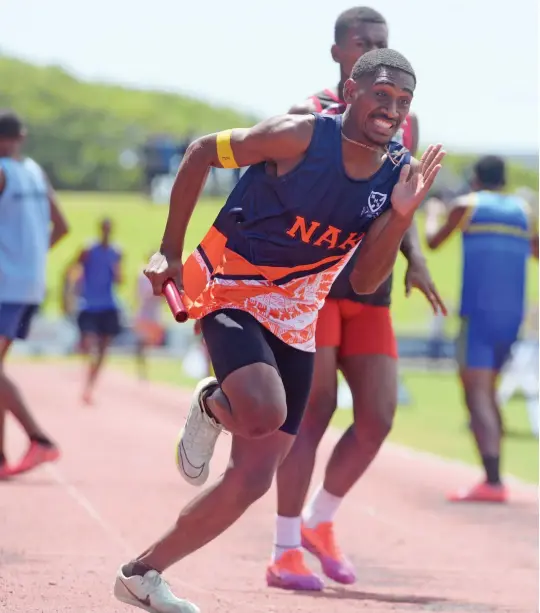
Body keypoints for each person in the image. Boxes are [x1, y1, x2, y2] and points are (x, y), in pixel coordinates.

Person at [112, 48, 445, 613]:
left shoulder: (395, 174)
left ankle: (141, 574)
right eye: (382, 95)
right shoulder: (297, 137)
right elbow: (198, 154)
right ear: (351, 89)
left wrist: (402, 215)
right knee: (262, 411)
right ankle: (216, 405)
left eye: (404, 102)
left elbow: (365, 281)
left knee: (253, 478)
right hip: (227, 288)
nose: (392, 110)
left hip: (296, 318)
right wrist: (170, 252)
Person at [266, 7, 445, 591]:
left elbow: (401, 197)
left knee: (378, 416)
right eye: (364, 43)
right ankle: (285, 548)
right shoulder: (308, 118)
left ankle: (321, 522)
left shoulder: (400, 124)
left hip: (371, 286)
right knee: (312, 412)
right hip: (316, 286)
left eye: (384, 42)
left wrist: (414, 257)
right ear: (343, 60)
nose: (375, 49)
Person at [425, 155, 538, 502]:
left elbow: (432, 241)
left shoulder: (466, 204)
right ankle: (493, 475)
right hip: (511, 316)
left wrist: (432, 213)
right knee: (488, 392)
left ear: (475, 179)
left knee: (477, 394)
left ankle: (492, 481)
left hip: (478, 313)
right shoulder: (523, 210)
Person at [0, 110, 69, 479]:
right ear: (21, 137)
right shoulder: (34, 171)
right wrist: (28, 257)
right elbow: (61, 226)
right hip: (29, 284)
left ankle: (38, 438)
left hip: (4, 285)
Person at [69, 218, 123, 405]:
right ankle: (86, 376)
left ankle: (90, 384)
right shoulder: (88, 249)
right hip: (89, 304)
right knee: (90, 344)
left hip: (109, 304)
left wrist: (116, 271)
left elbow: (119, 279)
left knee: (103, 349)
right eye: (105, 229)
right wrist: (72, 290)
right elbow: (72, 268)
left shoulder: (116, 252)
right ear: (100, 229)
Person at [134, 258, 165, 380]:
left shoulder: (161, 273)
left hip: (154, 313)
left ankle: (146, 368)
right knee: (142, 343)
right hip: (145, 313)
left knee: (151, 343)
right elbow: (143, 293)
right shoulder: (143, 274)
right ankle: (142, 369)